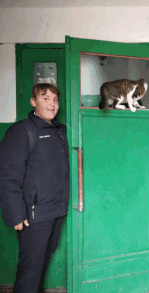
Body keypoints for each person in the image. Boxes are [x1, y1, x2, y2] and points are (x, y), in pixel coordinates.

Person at [0, 83, 69, 293]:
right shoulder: (22, 130)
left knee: (42, 263)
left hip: (57, 211)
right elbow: (7, 175)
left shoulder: (60, 131)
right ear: (33, 102)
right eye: (45, 98)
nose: (51, 104)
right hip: (33, 215)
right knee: (30, 270)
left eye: (55, 99)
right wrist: (15, 214)